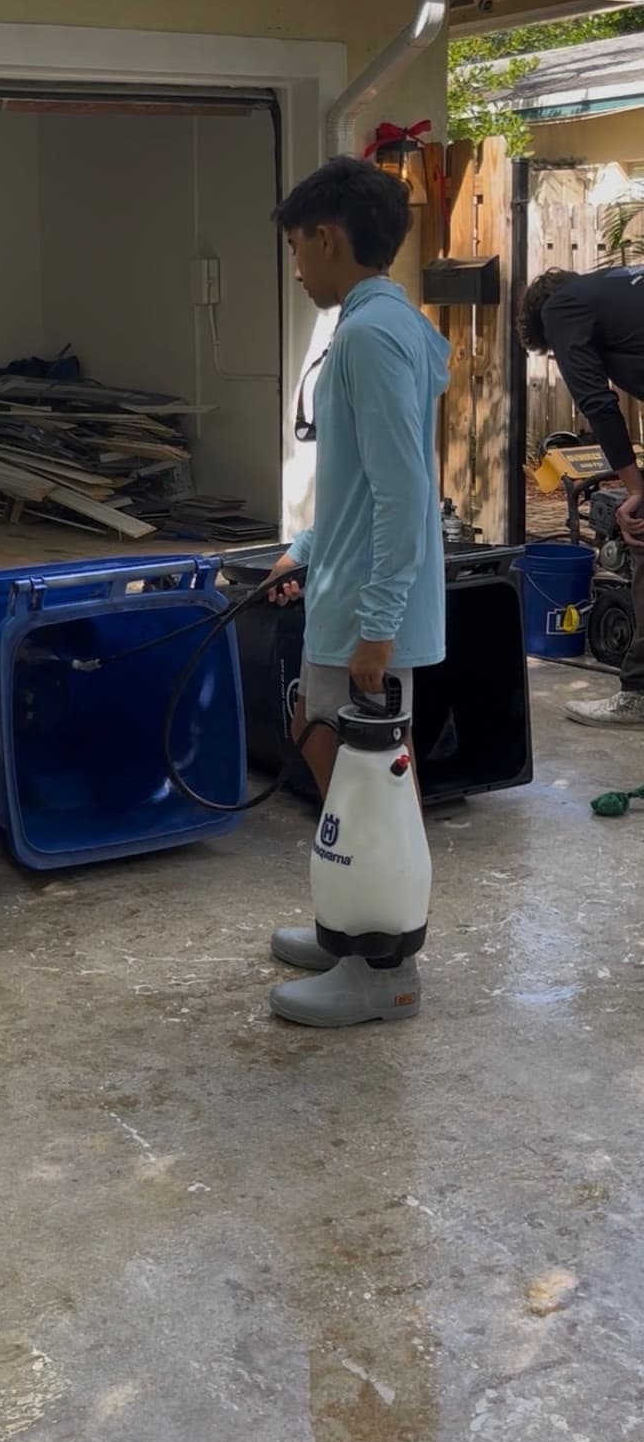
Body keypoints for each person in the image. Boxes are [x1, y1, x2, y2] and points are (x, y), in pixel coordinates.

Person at [266, 155, 450, 1030]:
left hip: (368, 612)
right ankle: (346, 932)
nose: (298, 270)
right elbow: (356, 483)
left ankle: (383, 970)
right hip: (346, 593)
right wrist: (304, 549)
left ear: (328, 237)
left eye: (298, 250)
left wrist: (377, 626)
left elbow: (404, 493)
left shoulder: (372, 336)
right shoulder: (382, 323)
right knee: (337, 759)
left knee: (369, 787)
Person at [517, 264, 644, 727]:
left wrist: (635, 489)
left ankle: (638, 695)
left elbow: (597, 402)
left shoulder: (561, 308)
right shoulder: (616, 284)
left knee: (641, 532)